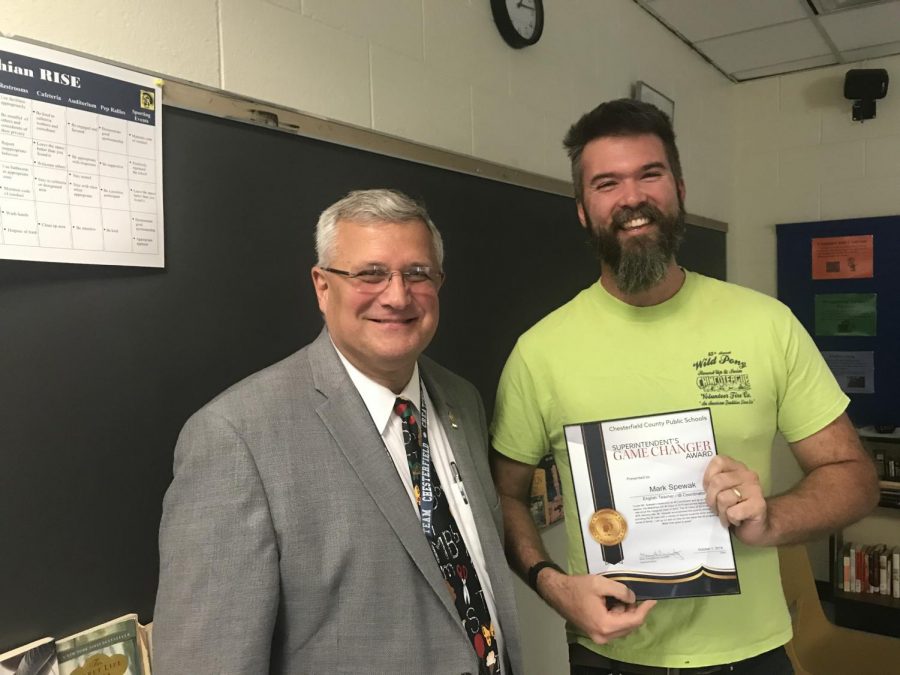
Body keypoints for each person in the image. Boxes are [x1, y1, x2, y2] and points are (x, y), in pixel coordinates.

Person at [490, 99, 879, 675]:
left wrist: (769, 518)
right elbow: (506, 497)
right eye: (606, 183)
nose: (632, 198)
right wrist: (553, 586)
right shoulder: (539, 352)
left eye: (650, 173)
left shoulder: (765, 324)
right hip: (609, 657)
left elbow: (855, 477)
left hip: (752, 653)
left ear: (680, 188)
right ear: (582, 210)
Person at [154, 189, 522, 674]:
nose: (397, 295)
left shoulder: (463, 402)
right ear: (322, 287)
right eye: (370, 273)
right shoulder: (235, 438)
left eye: (417, 274)